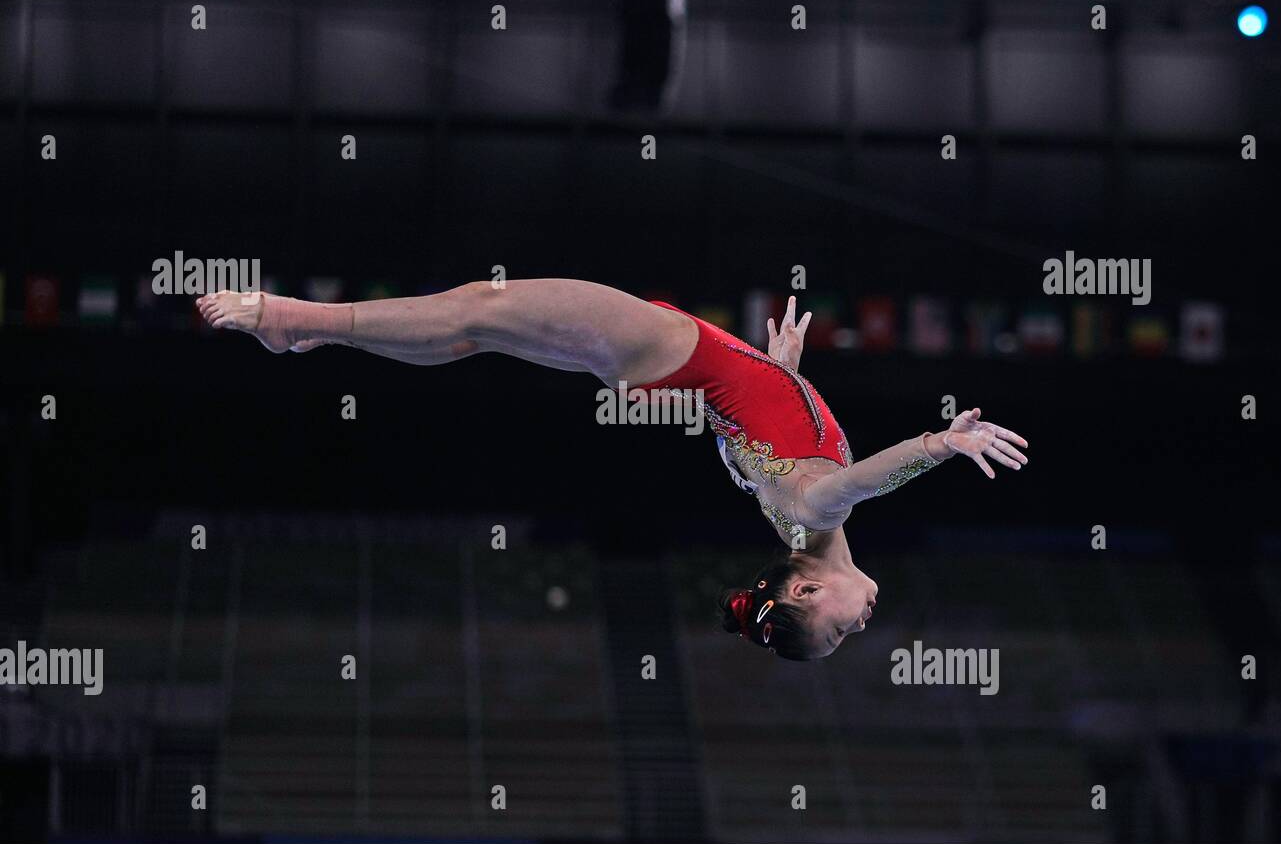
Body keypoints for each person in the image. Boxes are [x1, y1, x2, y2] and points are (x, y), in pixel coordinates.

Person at [197, 279, 1028, 659]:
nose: (860, 627)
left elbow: (857, 479)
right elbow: (757, 427)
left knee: (477, 311)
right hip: (679, 357)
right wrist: (785, 372)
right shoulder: (796, 517)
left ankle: (286, 317)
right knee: (474, 329)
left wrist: (938, 445)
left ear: (806, 590)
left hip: (668, 349)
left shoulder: (813, 510)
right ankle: (310, 333)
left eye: (839, 631)